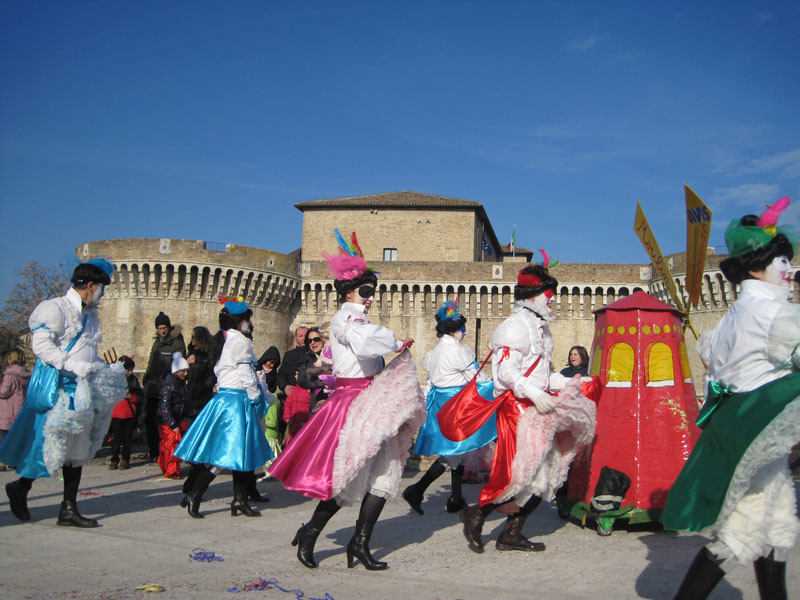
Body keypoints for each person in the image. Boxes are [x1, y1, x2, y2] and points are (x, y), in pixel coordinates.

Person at [662, 203, 800, 600]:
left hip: (741, 440)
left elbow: (713, 355)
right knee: (739, 533)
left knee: (772, 528)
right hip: (754, 439)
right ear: (759, 268)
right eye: (783, 261)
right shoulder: (773, 315)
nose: (789, 270)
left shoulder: (732, 317)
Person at [269, 231, 425, 571]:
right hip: (353, 404)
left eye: (372, 292)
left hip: (372, 401)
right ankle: (310, 532)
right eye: (366, 292)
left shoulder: (359, 319)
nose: (370, 298)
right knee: (348, 478)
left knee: (384, 477)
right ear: (350, 291)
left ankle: (359, 543)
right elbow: (366, 342)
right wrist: (394, 339)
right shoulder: (346, 319)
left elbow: (371, 349)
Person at [452, 262, 596, 553]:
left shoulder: (541, 329)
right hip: (517, 409)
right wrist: (535, 393)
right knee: (520, 473)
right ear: (533, 296)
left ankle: (511, 533)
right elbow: (506, 372)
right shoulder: (515, 327)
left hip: (537, 409)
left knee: (546, 476)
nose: (553, 298)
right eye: (548, 293)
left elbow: (541, 375)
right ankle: (476, 514)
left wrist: (569, 383)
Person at [0, 258, 126, 526]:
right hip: (57, 390)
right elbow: (42, 347)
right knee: (45, 448)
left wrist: (107, 369)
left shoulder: (91, 316)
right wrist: (72, 364)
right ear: (91, 286)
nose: (103, 295)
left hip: (81, 391)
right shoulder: (54, 308)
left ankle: (68, 508)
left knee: (76, 452)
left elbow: (88, 353)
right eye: (102, 288)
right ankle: (21, 487)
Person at [175, 296, 274, 518]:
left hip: (225, 400)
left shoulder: (224, 340)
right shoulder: (240, 341)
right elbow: (246, 374)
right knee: (225, 456)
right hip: (237, 402)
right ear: (240, 321)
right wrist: (257, 398)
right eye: (247, 319)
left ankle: (237, 499)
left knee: (238, 453)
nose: (249, 323)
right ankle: (197, 494)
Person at [402, 300, 496, 515]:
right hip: (456, 405)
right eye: (462, 329)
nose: (464, 333)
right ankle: (417, 489)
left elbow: (433, 381)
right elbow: (477, 379)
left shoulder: (433, 353)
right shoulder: (459, 352)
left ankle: (456, 496)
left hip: (440, 404)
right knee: (456, 451)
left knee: (459, 450)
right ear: (455, 330)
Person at [142, 312, 185, 462]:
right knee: (148, 420)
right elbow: (151, 362)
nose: (162, 331)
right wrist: (146, 379)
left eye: (164, 327)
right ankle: (153, 450)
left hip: (167, 388)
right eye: (159, 328)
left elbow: (179, 365)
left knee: (168, 421)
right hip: (152, 387)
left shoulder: (176, 343)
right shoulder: (157, 342)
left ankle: (168, 452)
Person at [284, 327, 327, 443]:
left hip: (334, 405)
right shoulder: (307, 359)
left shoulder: (335, 357)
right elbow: (302, 380)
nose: (312, 343)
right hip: (315, 406)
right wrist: (323, 383)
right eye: (309, 340)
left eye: (316, 339)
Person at [158, 352, 190, 479]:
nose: (185, 374)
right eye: (183, 371)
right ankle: (172, 471)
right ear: (176, 371)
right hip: (168, 421)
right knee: (171, 445)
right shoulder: (168, 387)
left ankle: (167, 467)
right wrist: (172, 424)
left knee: (172, 445)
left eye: (186, 371)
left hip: (178, 418)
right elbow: (165, 407)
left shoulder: (182, 384)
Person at [108, 355, 142, 470]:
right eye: (128, 370)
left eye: (131, 370)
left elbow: (139, 397)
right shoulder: (114, 380)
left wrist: (131, 397)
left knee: (127, 439)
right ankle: (114, 458)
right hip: (117, 413)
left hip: (129, 413)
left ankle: (125, 459)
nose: (130, 372)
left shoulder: (133, 381)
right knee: (116, 439)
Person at [0, 348, 31, 470]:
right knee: (16, 437)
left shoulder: (9, 376)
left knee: (2, 436)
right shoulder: (27, 375)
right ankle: (15, 460)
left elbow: (3, 392)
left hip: (7, 410)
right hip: (21, 409)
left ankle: (2, 461)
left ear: (10, 359)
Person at [186, 326, 216, 426]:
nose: (192, 342)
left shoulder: (209, 355)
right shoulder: (192, 352)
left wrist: (201, 388)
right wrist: (186, 363)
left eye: (194, 338)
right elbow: (182, 374)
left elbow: (212, 376)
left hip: (202, 400)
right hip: (189, 400)